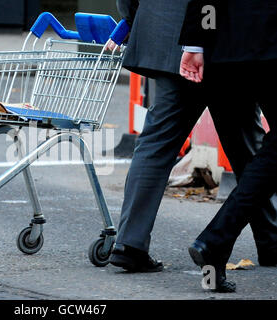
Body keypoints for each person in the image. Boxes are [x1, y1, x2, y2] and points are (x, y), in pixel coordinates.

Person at [107, 0, 277, 274]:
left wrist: (131, 17)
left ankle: (129, 244)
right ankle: (269, 240)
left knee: (156, 144)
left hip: (168, 34)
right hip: (224, 39)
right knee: (248, 147)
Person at [179, 0, 277, 292]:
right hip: (267, 46)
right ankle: (215, 240)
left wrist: (195, 43)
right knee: (255, 156)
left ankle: (238, 248)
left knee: (248, 154)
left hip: (222, 49)